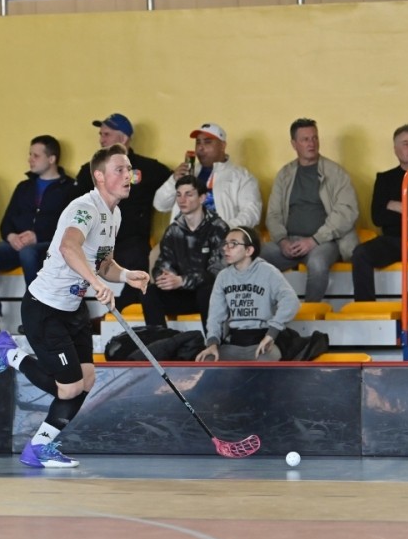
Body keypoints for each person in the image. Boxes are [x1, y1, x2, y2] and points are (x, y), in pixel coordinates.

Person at [0, 144, 150, 469]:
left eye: (129, 170)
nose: (128, 176)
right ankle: (7, 353)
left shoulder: (114, 214)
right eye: (120, 170)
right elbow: (69, 247)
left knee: (87, 380)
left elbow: (102, 263)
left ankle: (38, 447)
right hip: (45, 308)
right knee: (68, 388)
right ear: (99, 176)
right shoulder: (84, 208)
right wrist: (96, 284)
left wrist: (125, 275)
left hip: (73, 309)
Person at [0, 135, 77, 335]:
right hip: (19, 245)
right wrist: (11, 236)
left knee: (28, 253)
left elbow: (72, 225)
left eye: (35, 155)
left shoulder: (69, 188)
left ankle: (37, 315)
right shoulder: (24, 187)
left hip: (51, 246)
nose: (30, 159)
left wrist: (37, 236)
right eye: (30, 154)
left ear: (52, 159)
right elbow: (6, 222)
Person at [74, 113, 171, 312]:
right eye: (101, 135)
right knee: (65, 257)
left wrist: (180, 176)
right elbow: (74, 206)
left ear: (123, 138)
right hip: (96, 241)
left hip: (130, 243)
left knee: (141, 262)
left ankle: (116, 310)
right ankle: (77, 318)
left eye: (106, 134)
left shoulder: (148, 169)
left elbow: (174, 187)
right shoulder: (89, 171)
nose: (101, 140)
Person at [263, 118, 359, 302]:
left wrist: (314, 240)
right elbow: (273, 214)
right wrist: (282, 241)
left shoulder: (335, 173)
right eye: (305, 139)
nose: (312, 143)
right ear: (294, 144)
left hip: (324, 242)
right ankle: (261, 313)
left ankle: (309, 312)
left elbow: (347, 211)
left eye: (315, 138)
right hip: (289, 242)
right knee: (250, 256)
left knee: (317, 263)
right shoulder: (284, 174)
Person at [351, 124, 408, 308]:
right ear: (395, 149)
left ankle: (407, 311)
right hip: (392, 239)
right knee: (360, 254)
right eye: (406, 144)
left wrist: (394, 205)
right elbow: (378, 217)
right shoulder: (385, 179)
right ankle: (366, 309)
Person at [196, 226, 300, 362]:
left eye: (233, 244)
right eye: (225, 244)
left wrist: (272, 334)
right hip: (234, 341)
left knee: (264, 364)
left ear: (249, 250)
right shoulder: (223, 276)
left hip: (262, 341)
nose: (226, 248)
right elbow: (215, 315)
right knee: (206, 360)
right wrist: (212, 343)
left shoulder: (268, 271)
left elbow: (291, 301)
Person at [141, 175, 230, 333]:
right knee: (149, 292)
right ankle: (161, 343)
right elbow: (162, 263)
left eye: (189, 194)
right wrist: (165, 277)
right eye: (179, 195)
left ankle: (214, 342)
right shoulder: (173, 230)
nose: (182, 200)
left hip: (209, 294)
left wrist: (182, 281)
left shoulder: (218, 227)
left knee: (207, 291)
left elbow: (217, 273)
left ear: (202, 198)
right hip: (181, 292)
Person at [152, 122, 262, 229]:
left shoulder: (241, 177)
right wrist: (173, 181)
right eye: (198, 142)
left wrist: (224, 230)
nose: (200, 147)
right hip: (181, 238)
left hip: (220, 239)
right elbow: (160, 205)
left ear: (222, 146)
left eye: (207, 142)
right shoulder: (188, 173)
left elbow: (251, 213)